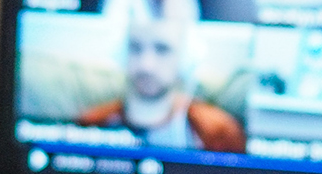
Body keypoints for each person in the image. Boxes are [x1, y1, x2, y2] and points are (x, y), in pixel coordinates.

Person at [77, 15, 244, 153]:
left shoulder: (219, 132)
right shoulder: (92, 123)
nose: (146, 65)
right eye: (135, 48)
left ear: (185, 58)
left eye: (162, 49)